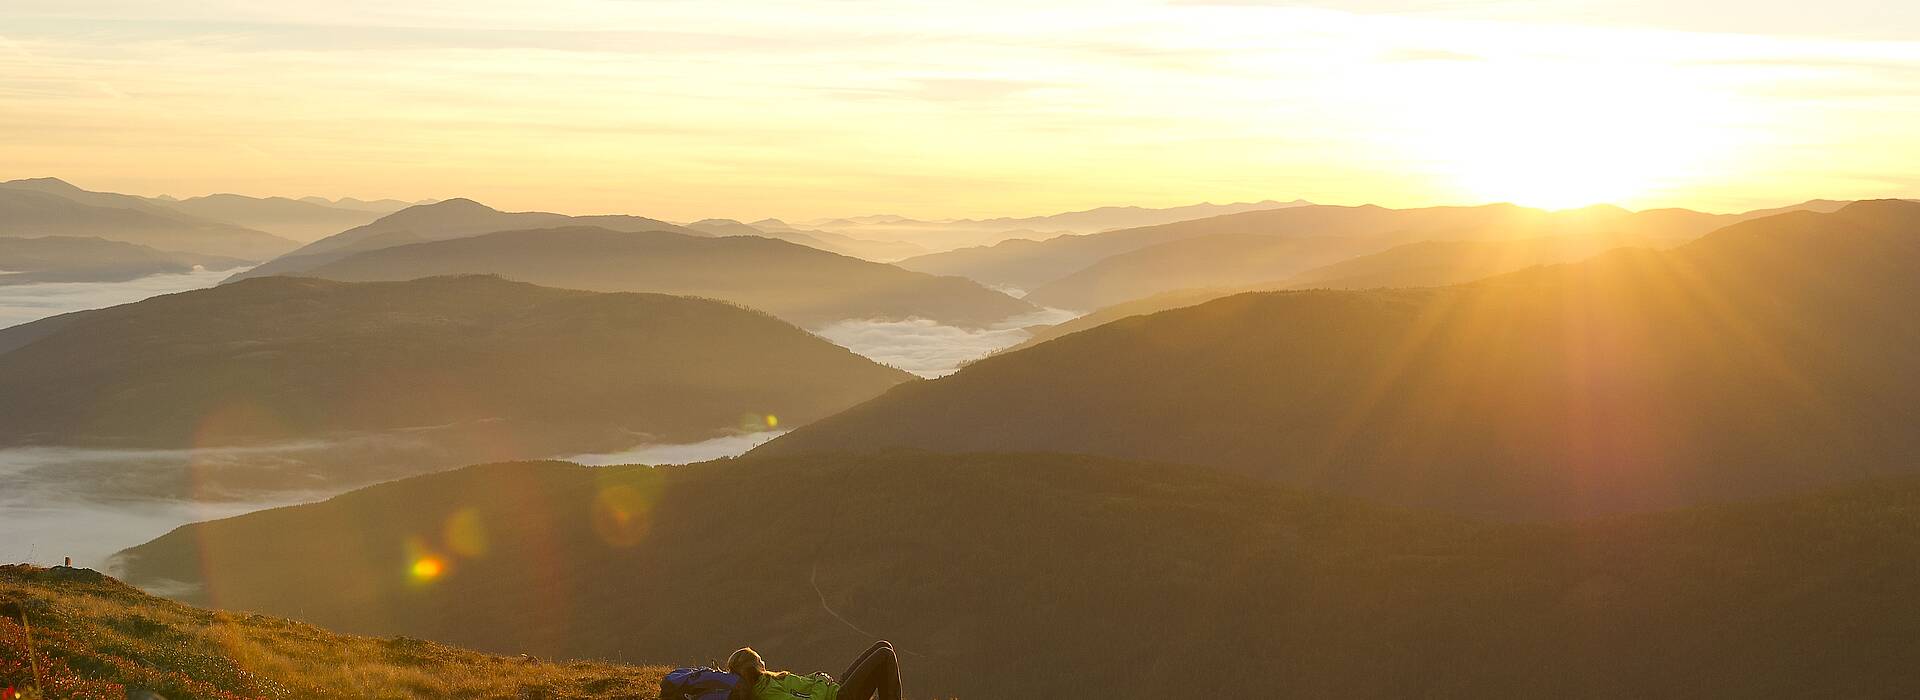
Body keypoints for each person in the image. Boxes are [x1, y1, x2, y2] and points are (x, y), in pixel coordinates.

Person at [726, 641, 902, 700]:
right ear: (754, 668)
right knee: (885, 655)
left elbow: (800, 687)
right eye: (759, 660)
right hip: (837, 698)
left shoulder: (768, 682)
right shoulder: (769, 692)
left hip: (832, 690)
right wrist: (821, 681)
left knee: (883, 646)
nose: (763, 661)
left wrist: (817, 677)